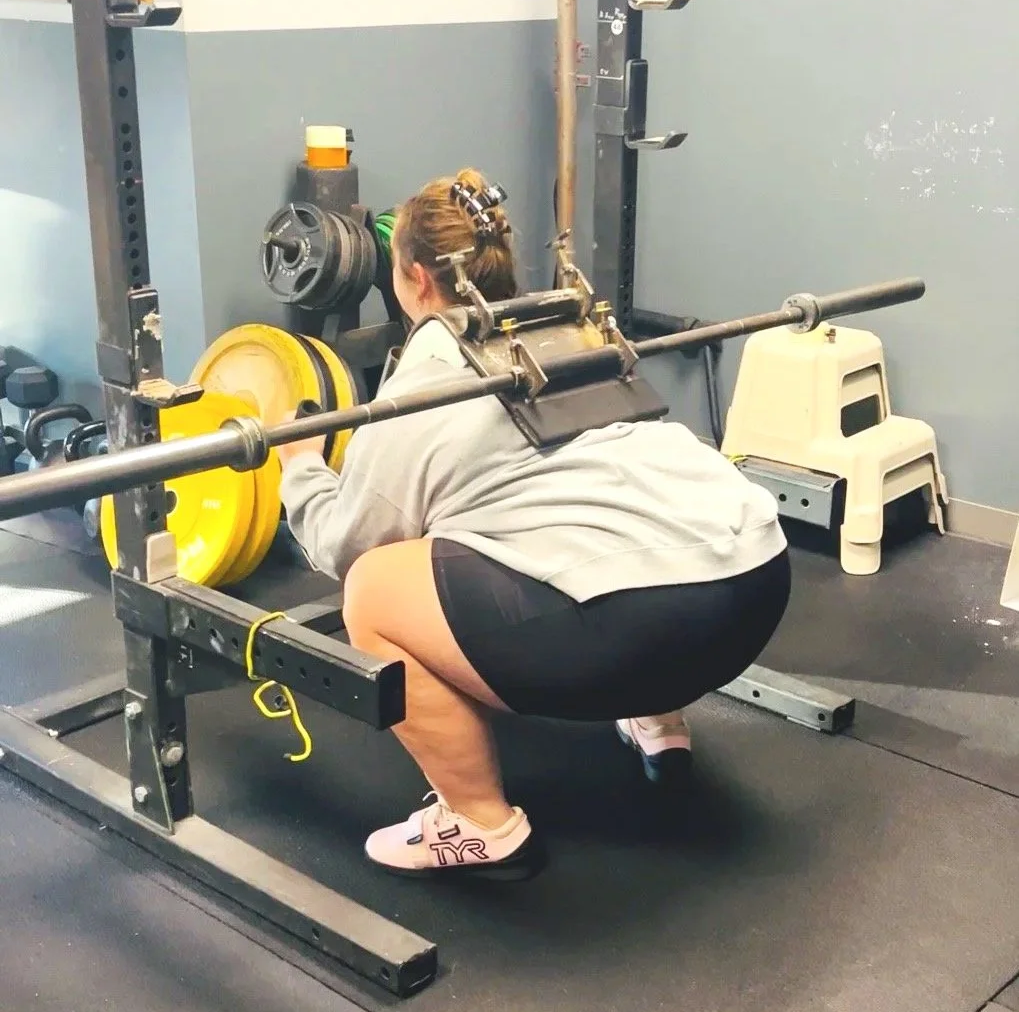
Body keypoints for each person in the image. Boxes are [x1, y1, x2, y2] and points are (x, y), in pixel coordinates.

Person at [276, 167, 791, 881]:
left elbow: (341, 545)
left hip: (640, 631)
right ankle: (657, 719)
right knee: (606, 513)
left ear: (416, 278)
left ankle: (478, 824)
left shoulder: (424, 384)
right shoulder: (568, 329)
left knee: (373, 588)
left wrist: (300, 465)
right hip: (755, 583)